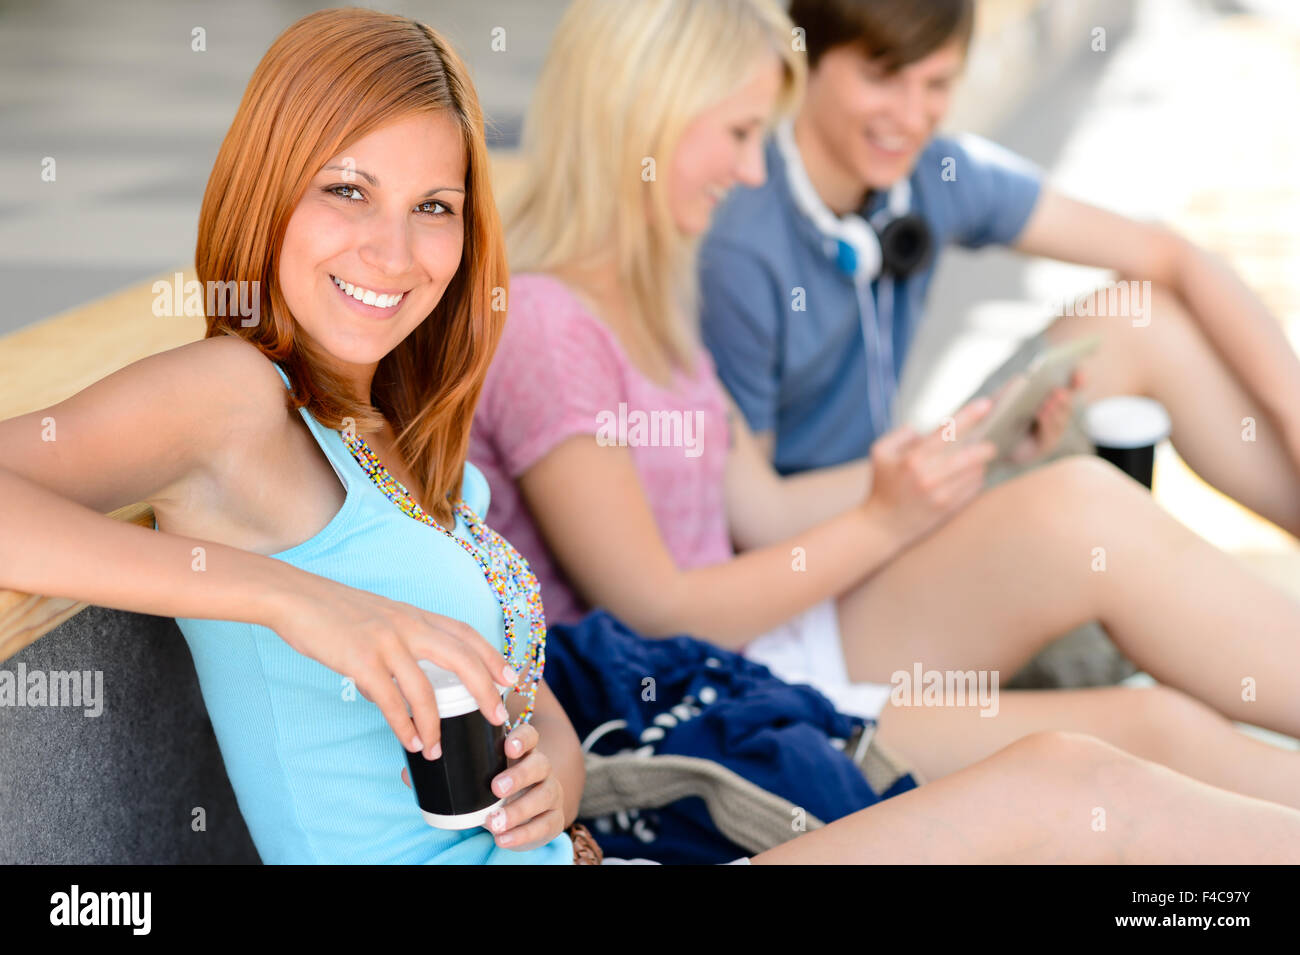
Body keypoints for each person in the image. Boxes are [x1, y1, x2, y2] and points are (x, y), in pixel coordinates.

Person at [3, 3, 1298, 866]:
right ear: (266, 185)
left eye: (435, 207)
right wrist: (291, 600)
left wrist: (557, 750)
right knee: (1083, 787)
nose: (393, 251)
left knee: (1117, 766)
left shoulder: (379, 427)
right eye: (346, 192)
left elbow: (522, 678)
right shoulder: (231, 395)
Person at [469, 0, 1300, 819]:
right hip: (707, 694)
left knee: (1084, 512)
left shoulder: (651, 299)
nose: (755, 169)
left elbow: (764, 507)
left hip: (774, 641)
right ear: (642, 120)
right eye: (739, 134)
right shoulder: (548, 327)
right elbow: (656, 612)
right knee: (1155, 728)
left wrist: (982, 456)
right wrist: (882, 524)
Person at [697, 0, 1300, 546]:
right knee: (1092, 517)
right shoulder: (742, 246)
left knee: (1143, 317)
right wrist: (964, 455)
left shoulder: (935, 174)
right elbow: (756, 524)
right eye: (881, 78)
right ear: (806, 63)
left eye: (935, 83)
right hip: (825, 552)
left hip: (908, 486)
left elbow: (1173, 256)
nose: (910, 117)